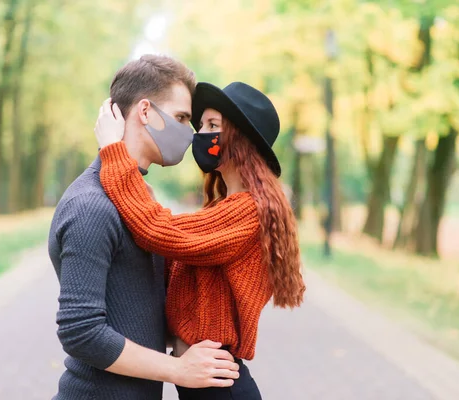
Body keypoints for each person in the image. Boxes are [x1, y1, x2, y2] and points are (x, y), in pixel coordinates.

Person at [94, 81, 307, 399]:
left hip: (218, 387)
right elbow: (172, 244)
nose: (200, 134)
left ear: (239, 139)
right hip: (203, 382)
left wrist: (113, 150)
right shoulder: (226, 208)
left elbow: (158, 231)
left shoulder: (247, 210)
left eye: (212, 126)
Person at [48, 55, 239, 400]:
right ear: (146, 111)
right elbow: (81, 331)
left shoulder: (136, 202)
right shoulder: (92, 205)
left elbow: (138, 311)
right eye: (181, 117)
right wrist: (178, 369)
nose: (191, 132)